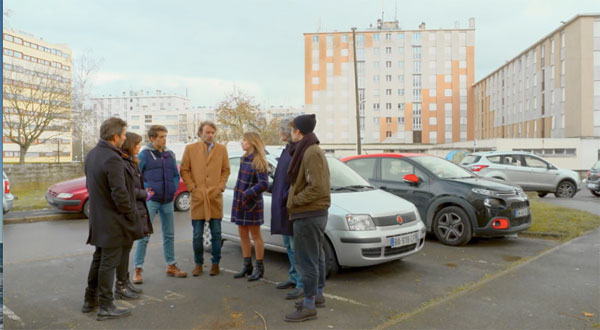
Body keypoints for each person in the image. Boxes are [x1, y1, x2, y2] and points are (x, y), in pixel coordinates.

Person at [82, 117, 143, 321]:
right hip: (113, 219)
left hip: (98, 217)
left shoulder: (92, 154)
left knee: (99, 259)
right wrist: (130, 214)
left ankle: (90, 300)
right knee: (108, 262)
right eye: (124, 135)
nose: (125, 139)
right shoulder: (112, 158)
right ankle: (105, 306)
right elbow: (120, 192)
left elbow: (91, 187)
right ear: (116, 136)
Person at [283, 114, 331, 323]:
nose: (290, 133)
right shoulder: (309, 149)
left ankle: (309, 305)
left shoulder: (311, 152)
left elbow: (318, 188)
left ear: (299, 132)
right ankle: (317, 295)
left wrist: (293, 202)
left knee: (307, 260)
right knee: (316, 256)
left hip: (309, 214)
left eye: (292, 130)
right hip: (312, 213)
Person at [132, 125, 186, 283]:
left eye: (165, 136)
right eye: (161, 136)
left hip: (168, 200)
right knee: (144, 235)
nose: (164, 139)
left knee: (169, 234)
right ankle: (138, 268)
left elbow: (176, 174)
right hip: (151, 201)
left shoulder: (170, 154)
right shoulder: (144, 155)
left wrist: (173, 188)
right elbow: (136, 176)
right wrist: (147, 190)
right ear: (152, 138)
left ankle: (171, 265)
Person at [180, 121, 230, 276]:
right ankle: (198, 263)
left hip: (214, 197)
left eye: (213, 132)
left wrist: (220, 187)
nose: (210, 135)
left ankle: (215, 263)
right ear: (200, 133)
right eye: (207, 132)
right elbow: (184, 170)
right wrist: (193, 188)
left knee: (216, 233)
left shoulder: (221, 149)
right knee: (197, 235)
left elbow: (226, 170)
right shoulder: (190, 149)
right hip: (198, 197)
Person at [116, 132, 154, 300]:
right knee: (123, 250)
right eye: (137, 144)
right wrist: (144, 194)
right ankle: (121, 285)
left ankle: (124, 282)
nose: (139, 147)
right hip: (129, 210)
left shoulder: (132, 161)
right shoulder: (122, 162)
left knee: (126, 249)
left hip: (136, 208)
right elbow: (127, 189)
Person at [269, 118, 303, 300]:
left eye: (281, 130)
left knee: (295, 247)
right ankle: (293, 278)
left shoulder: (296, 152)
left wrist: (284, 197)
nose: (280, 133)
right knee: (289, 245)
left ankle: (301, 284)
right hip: (283, 205)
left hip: (290, 206)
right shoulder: (287, 151)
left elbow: (295, 182)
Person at [231, 132, 269, 281]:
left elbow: (264, 184)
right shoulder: (243, 159)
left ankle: (259, 267)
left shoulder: (258, 161)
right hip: (240, 201)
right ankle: (247, 265)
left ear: (252, 142)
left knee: (256, 235)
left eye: (244, 140)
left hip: (252, 203)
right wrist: (240, 196)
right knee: (242, 233)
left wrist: (247, 193)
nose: (242, 142)